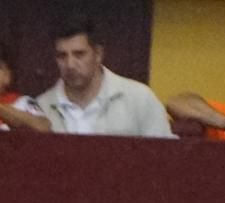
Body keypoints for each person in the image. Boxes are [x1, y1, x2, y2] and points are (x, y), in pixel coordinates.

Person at [34, 16, 171, 137]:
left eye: (79, 54)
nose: (70, 64)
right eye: (62, 56)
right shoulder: (42, 107)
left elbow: (166, 157)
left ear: (98, 54)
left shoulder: (139, 99)